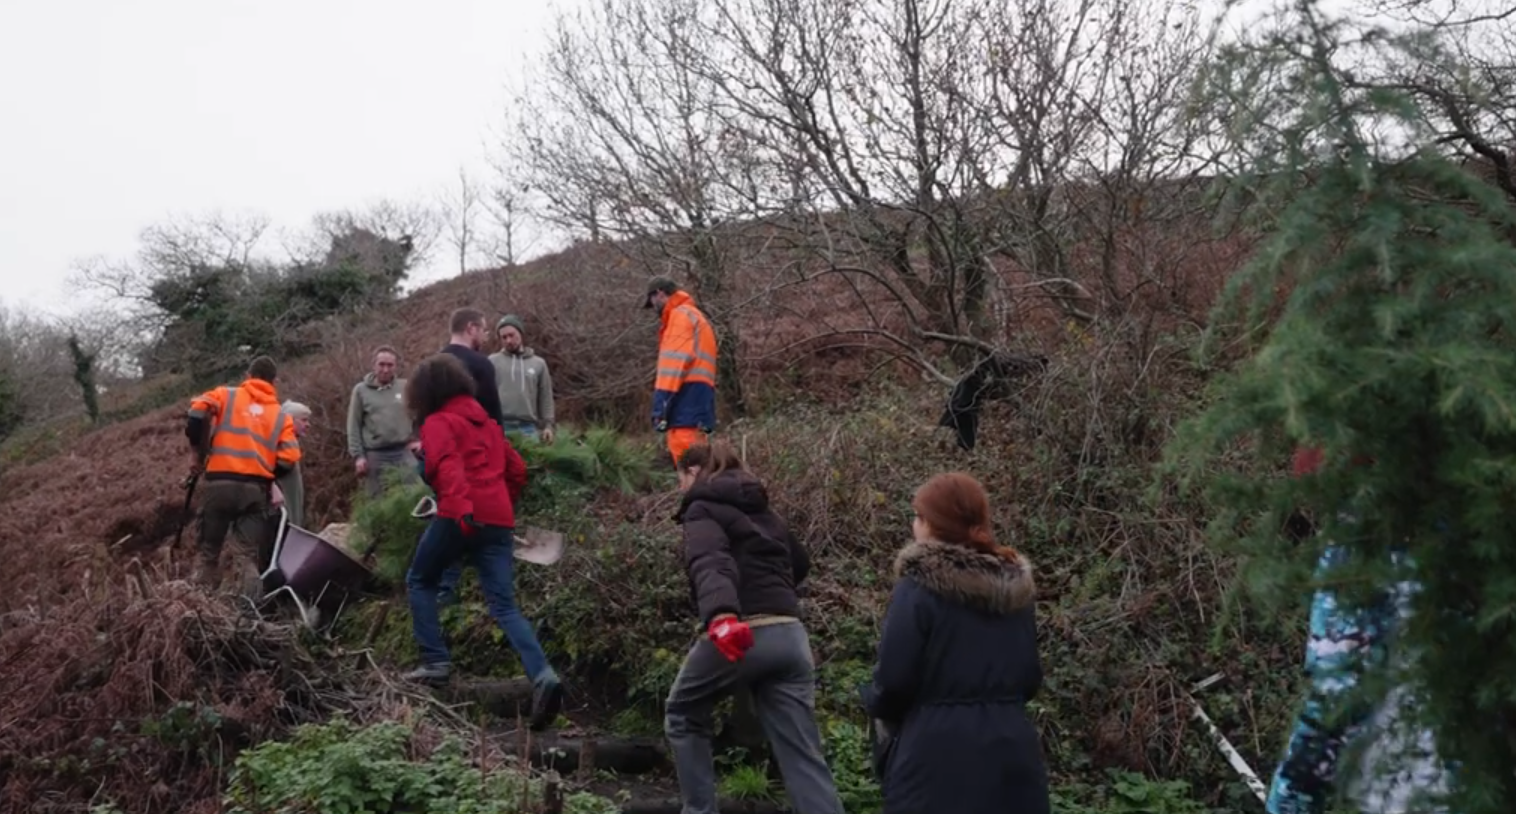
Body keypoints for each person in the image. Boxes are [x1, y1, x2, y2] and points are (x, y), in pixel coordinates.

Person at [1263, 446, 1454, 814]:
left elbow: (1336, 702)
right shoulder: (1475, 531)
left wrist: (1286, 803)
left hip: (1408, 789)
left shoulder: (1360, 544)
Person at [665, 441, 843, 814]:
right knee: (801, 751)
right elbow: (799, 561)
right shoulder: (766, 513)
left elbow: (710, 559)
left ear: (693, 473)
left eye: (680, 479)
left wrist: (721, 614)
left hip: (742, 630)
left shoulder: (702, 507)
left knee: (683, 712)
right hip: (791, 636)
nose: (681, 488)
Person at [863, 472, 1049, 814]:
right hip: (1012, 753)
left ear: (937, 526)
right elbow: (1030, 677)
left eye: (920, 517)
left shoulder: (918, 589)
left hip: (936, 758)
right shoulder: (1015, 593)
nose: (914, 525)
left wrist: (873, 702)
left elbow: (894, 680)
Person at [400, 352, 563, 731]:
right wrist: (498, 503)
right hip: (498, 519)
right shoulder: (489, 425)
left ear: (425, 392)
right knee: (504, 606)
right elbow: (517, 470)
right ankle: (543, 675)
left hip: (461, 514)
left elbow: (447, 467)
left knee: (420, 580)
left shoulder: (439, 422)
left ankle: (435, 661)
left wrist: (458, 505)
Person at [184, 356, 301, 591]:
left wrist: (198, 450)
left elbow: (197, 413)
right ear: (274, 381)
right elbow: (290, 457)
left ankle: (201, 608)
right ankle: (249, 615)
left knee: (209, 554)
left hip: (220, 485)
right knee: (245, 558)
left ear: (247, 376)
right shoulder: (280, 415)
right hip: (255, 492)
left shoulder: (225, 395)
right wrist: (268, 475)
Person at [644, 276, 718, 466]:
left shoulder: (678, 318)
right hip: (700, 403)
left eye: (652, 301)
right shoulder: (696, 317)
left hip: (684, 404)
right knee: (701, 464)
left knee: (689, 467)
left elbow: (673, 367)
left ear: (659, 294)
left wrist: (660, 408)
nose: (653, 307)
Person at [346, 345, 420, 497]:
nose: (385, 370)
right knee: (377, 499)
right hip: (376, 453)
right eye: (381, 364)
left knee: (415, 494)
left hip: (404, 451)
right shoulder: (361, 391)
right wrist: (358, 456)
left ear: (396, 366)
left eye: (390, 365)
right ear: (374, 365)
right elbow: (354, 424)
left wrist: (418, 439)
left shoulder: (405, 387)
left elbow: (419, 414)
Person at [489, 314, 557, 444]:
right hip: (500, 427)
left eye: (511, 335)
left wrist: (548, 425)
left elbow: (545, 397)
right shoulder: (492, 362)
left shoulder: (538, 363)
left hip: (528, 428)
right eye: (504, 337)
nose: (508, 340)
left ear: (520, 333)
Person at [440, 308, 506, 428]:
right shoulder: (480, 364)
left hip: (442, 438)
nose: (484, 337)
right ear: (472, 328)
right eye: (483, 330)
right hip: (474, 439)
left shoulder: (431, 364)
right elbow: (491, 411)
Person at [277, 401, 312, 528]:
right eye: (303, 420)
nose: (308, 425)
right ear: (290, 420)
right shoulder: (282, 444)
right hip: (282, 517)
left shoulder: (290, 443)